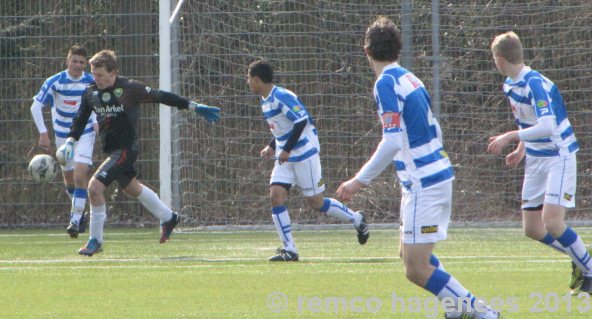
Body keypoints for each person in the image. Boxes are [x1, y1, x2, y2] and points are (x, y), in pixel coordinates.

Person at [336, 17, 502, 318]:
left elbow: (391, 141)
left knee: (415, 268)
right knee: (409, 255)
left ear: (366, 50)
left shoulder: (385, 82)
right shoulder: (410, 78)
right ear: (397, 48)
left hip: (424, 182)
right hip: (430, 176)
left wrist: (358, 181)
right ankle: (457, 308)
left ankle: (481, 313)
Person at [59, 50, 220, 256]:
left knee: (94, 188)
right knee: (131, 188)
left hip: (126, 149)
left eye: (100, 75)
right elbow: (80, 120)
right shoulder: (90, 93)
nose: (96, 79)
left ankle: (95, 241)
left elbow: (161, 96)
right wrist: (71, 141)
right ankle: (169, 217)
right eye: (93, 74)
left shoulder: (129, 89)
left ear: (113, 72)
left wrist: (193, 106)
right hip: (111, 150)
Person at [487, 31, 591, 295]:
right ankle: (580, 258)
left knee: (552, 221)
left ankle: (589, 268)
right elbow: (528, 122)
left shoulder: (535, 84)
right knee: (532, 228)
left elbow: (547, 125)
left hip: (559, 155)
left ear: (500, 59)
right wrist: (522, 148)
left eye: (494, 58)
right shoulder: (510, 85)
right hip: (535, 158)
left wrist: (511, 136)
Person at [247, 60, 369, 262]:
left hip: (304, 154)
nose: (248, 82)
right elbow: (282, 128)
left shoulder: (281, 97)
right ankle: (290, 249)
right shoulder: (264, 99)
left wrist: (285, 149)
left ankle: (357, 219)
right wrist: (272, 146)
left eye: (249, 78)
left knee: (316, 202)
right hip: (286, 158)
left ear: (257, 79)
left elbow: (301, 120)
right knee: (276, 196)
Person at [30, 45, 97, 238]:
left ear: (86, 65)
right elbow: (35, 106)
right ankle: (80, 209)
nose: (77, 65)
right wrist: (43, 133)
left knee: (80, 174)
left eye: (81, 62)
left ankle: (75, 220)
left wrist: (96, 122)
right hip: (62, 136)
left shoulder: (90, 82)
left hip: (84, 133)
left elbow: (96, 104)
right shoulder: (55, 81)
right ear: (67, 61)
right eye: (74, 61)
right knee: (69, 179)